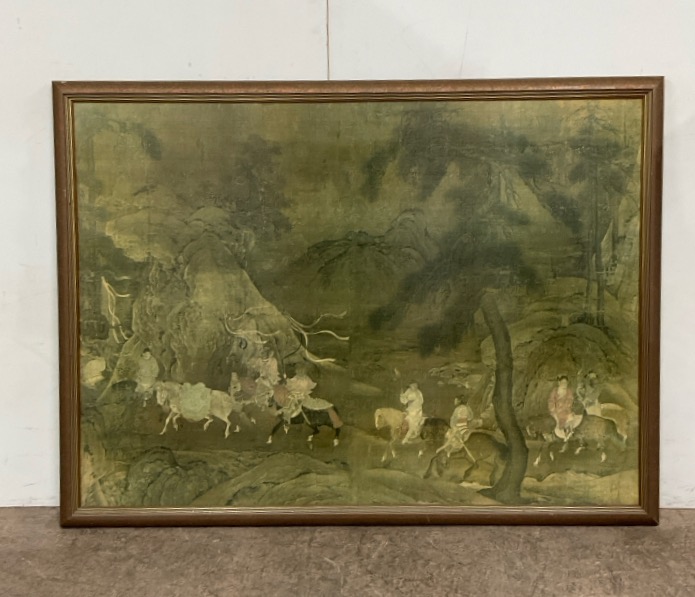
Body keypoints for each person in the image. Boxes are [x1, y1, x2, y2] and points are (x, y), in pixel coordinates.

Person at [548, 375, 581, 439]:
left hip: (566, 411)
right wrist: (553, 410)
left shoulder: (569, 391)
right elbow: (551, 401)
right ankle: (558, 434)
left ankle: (568, 433)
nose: (564, 384)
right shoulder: (555, 391)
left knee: (571, 419)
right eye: (563, 382)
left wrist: (566, 406)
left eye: (566, 383)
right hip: (556, 411)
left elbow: (570, 400)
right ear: (559, 382)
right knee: (556, 421)